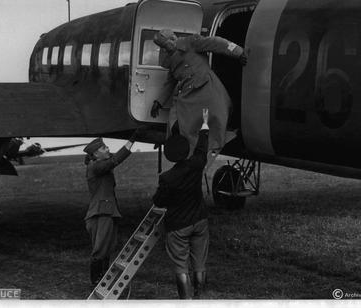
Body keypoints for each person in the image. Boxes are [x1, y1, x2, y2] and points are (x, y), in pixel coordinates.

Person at [150, 29, 247, 159]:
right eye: (164, 46)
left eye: (168, 43)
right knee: (176, 121)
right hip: (188, 94)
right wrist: (159, 102)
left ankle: (209, 146)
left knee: (216, 117)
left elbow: (216, 43)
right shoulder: (170, 59)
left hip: (207, 89)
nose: (168, 47)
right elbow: (170, 82)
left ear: (174, 37)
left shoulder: (191, 42)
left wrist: (238, 51)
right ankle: (186, 153)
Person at [152, 109, 210, 299]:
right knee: (199, 264)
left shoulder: (167, 178)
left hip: (178, 227)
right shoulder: (196, 164)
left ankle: (185, 302)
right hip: (200, 221)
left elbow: (159, 201)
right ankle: (199, 299)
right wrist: (204, 126)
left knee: (181, 267)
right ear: (186, 151)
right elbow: (202, 148)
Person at [83, 131, 139, 286]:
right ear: (95, 153)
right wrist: (131, 140)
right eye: (104, 148)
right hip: (101, 213)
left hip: (107, 211)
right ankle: (96, 282)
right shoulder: (95, 166)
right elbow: (114, 161)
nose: (107, 149)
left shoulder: (98, 164)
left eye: (107, 146)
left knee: (107, 248)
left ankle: (103, 280)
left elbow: (111, 160)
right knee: (100, 249)